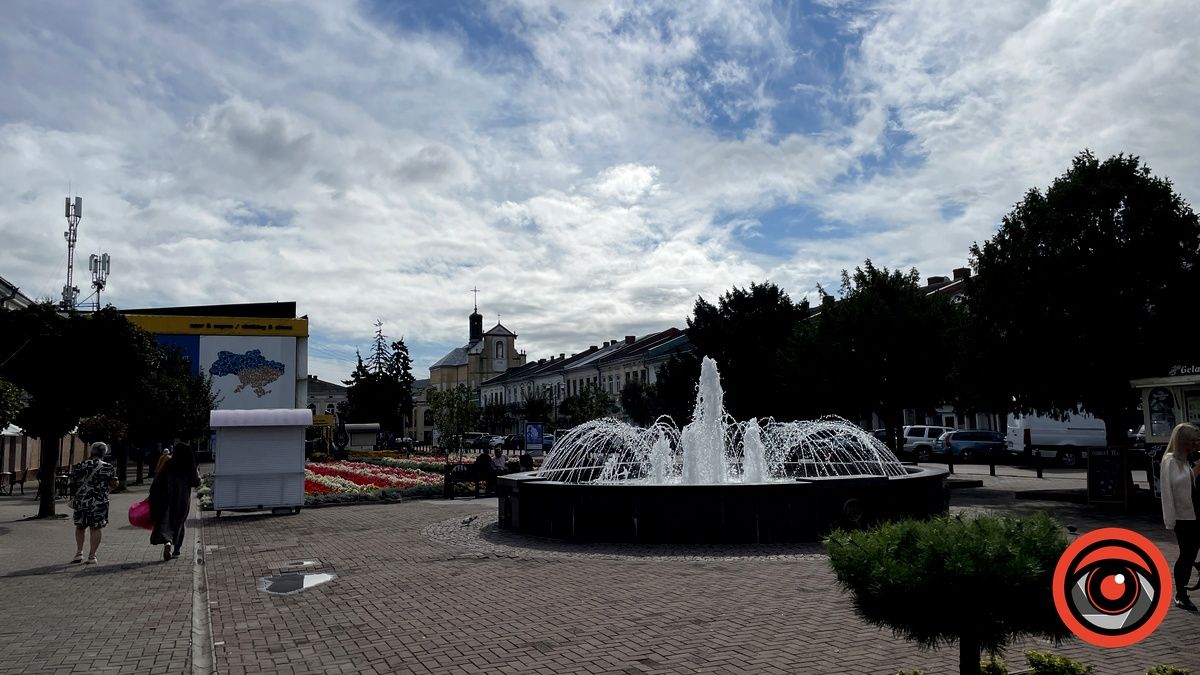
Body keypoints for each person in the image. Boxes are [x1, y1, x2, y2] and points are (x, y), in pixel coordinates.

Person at [1160, 422, 1200, 611]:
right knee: (1187, 554)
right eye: (1192, 441)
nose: (1196, 444)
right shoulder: (1170, 461)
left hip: (1196, 513)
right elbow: (1169, 490)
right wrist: (1170, 520)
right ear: (1182, 441)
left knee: (1191, 553)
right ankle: (1181, 594)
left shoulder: (1188, 460)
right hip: (1184, 518)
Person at [149, 442, 201, 561]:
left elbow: (157, 481)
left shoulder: (169, 464)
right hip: (182, 499)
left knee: (166, 521)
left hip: (166, 498)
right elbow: (196, 482)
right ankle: (177, 549)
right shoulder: (189, 465)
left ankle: (167, 542)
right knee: (180, 523)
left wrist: (153, 495)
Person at [70, 442, 119, 564]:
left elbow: (73, 481)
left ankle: (79, 553)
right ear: (104, 453)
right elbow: (114, 484)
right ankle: (92, 556)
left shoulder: (81, 465)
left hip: (82, 501)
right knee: (96, 527)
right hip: (99, 502)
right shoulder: (108, 467)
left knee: (80, 527)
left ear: (91, 452)